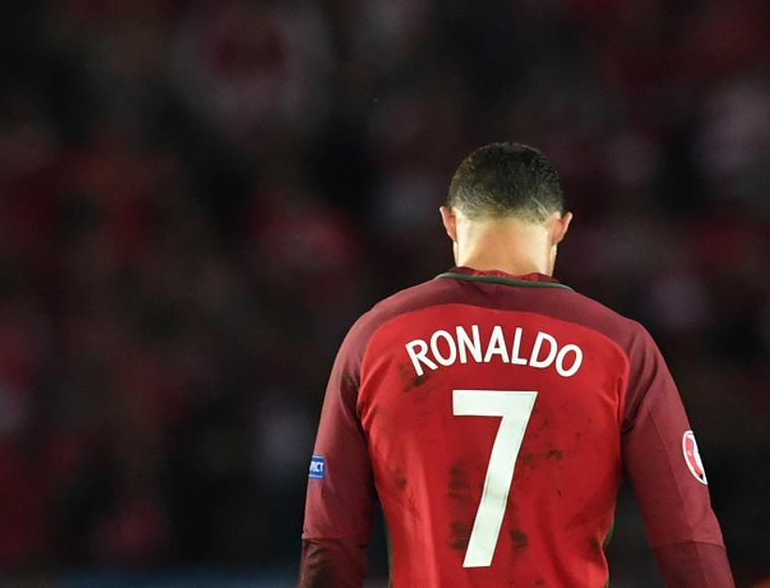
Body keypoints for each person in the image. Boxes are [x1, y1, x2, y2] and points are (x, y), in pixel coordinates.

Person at [299, 142, 734, 586]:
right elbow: (687, 539)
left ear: (449, 221)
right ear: (560, 226)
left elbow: (330, 542)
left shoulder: (377, 337)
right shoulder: (619, 347)